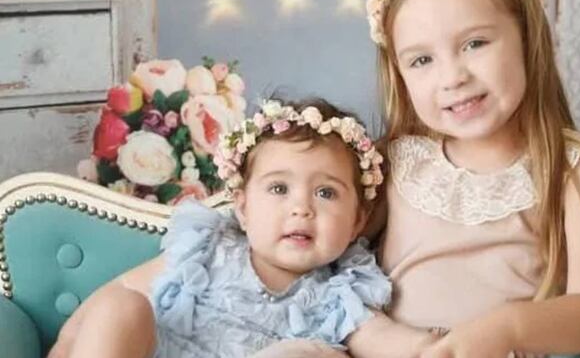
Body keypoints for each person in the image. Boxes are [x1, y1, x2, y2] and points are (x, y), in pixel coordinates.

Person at [346, 0, 580, 358]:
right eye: (422, 60)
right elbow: (328, 258)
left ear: (527, 39)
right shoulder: (397, 163)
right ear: (399, 74)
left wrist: (509, 328)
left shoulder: (573, 172)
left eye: (474, 43)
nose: (453, 77)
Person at [49, 98, 391, 358]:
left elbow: (384, 339)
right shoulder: (210, 249)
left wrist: (421, 346)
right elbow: (119, 291)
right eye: (278, 188)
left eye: (326, 193)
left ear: (356, 221)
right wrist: (65, 346)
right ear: (242, 208)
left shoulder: (342, 291)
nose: (301, 208)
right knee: (122, 307)